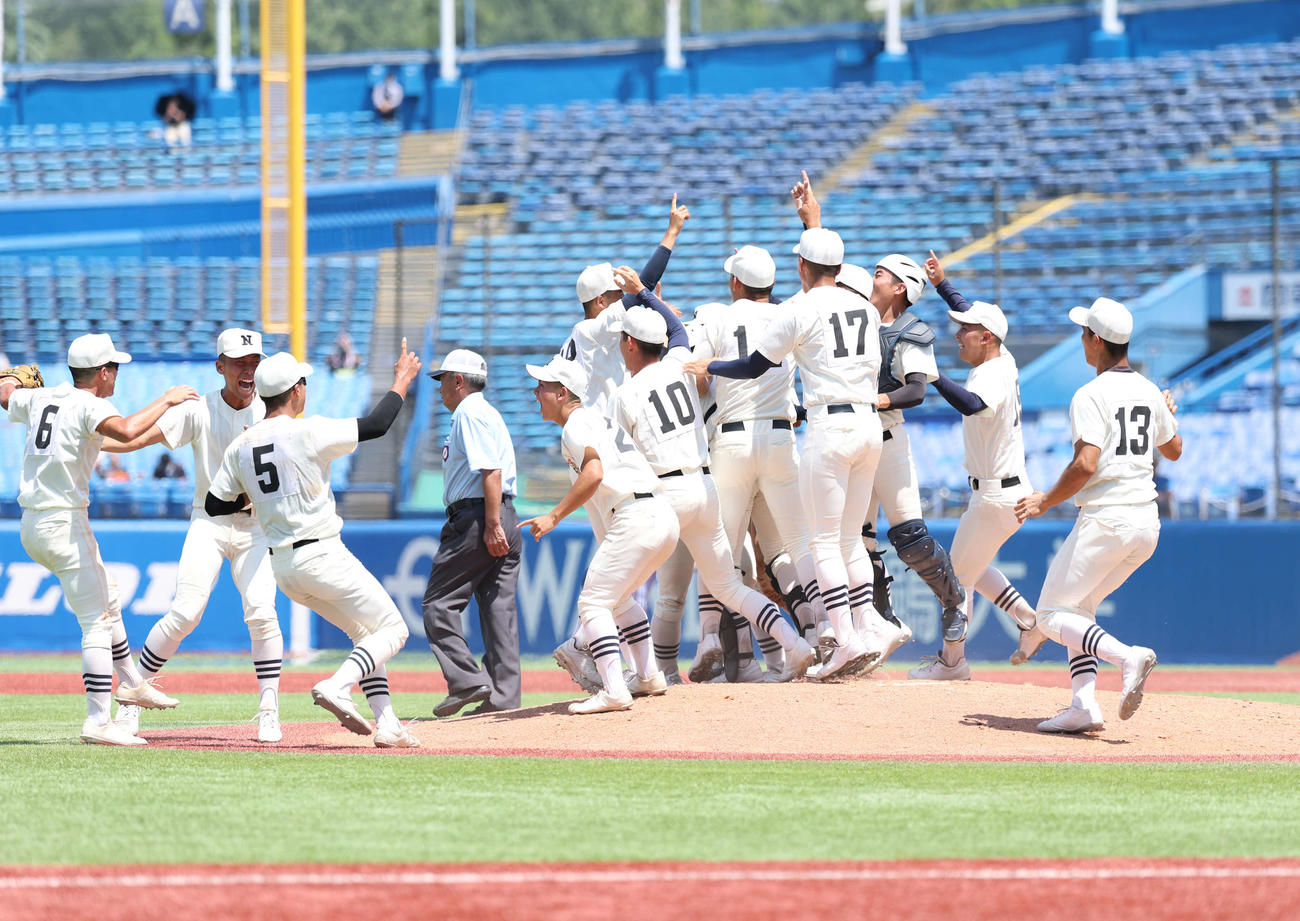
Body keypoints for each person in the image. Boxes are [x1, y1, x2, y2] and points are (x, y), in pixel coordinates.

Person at [684, 176, 892, 680]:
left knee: (762, 545)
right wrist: (813, 224)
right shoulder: (864, 305)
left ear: (801, 266)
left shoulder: (788, 309)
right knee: (837, 541)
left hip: (801, 429)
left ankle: (836, 638)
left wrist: (710, 368)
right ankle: (860, 627)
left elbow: (754, 363)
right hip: (860, 423)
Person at [205, 342, 422, 748]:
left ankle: (388, 722)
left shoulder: (243, 444)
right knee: (393, 628)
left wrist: (254, 492)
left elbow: (215, 504)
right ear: (297, 389)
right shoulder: (308, 430)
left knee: (365, 632)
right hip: (320, 552)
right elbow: (377, 424)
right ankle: (339, 686)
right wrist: (402, 379)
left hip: (283, 567)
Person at [610, 267, 815, 682]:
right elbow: (679, 335)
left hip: (668, 494)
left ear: (629, 344)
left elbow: (620, 459)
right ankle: (795, 645)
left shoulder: (628, 390)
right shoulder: (682, 361)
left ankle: (656, 672)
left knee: (646, 594)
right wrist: (649, 296)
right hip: (707, 483)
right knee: (737, 582)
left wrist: (646, 295)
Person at [0, 333, 198, 746]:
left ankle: (131, 682)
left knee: (108, 594)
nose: (118, 376)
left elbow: (5, 393)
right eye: (116, 369)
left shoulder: (43, 397)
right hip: (63, 522)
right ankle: (97, 721)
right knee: (95, 623)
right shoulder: (92, 403)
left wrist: (14, 381)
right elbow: (125, 431)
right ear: (104, 372)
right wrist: (168, 399)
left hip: (33, 521)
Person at [99, 329, 284, 743]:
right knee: (185, 612)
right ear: (220, 367)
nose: (248, 368)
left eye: (254, 361)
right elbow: (141, 438)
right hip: (209, 520)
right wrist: (94, 446)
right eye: (239, 362)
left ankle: (269, 709)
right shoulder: (199, 410)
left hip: (257, 526)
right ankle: (130, 701)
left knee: (262, 612)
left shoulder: (273, 409)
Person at [1014, 298, 1180, 733]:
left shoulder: (1090, 393)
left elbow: (1086, 464)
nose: (1081, 340)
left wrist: (1044, 500)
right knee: (1077, 608)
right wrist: (1167, 411)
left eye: (1083, 332)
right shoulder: (1148, 388)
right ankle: (1083, 705)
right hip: (1146, 523)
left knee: (1050, 615)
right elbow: (1175, 450)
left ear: (1097, 340)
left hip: (1108, 518)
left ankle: (1128, 657)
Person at [522, 356, 681, 713]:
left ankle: (613, 690)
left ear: (562, 393)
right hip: (660, 515)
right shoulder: (598, 419)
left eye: (543, 386)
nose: (536, 392)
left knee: (592, 603)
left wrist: (554, 516)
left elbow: (593, 473)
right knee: (620, 600)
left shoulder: (575, 425)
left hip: (636, 515)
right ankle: (648, 675)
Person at [903, 292, 1037, 680]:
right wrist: (945, 286)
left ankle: (952, 663)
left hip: (997, 495)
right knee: (974, 568)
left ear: (988, 338)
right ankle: (1028, 619)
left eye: (966, 331)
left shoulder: (995, 372)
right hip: (1000, 491)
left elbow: (972, 404)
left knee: (956, 578)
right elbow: (974, 315)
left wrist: (933, 375)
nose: (958, 334)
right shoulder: (1002, 358)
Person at [421, 349, 522, 718]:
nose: (440, 389)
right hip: (502, 512)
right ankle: (503, 698)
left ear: (458, 381)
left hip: (479, 518)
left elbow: (490, 471)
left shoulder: (470, 412)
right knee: (499, 612)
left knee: (439, 603)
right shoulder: (485, 412)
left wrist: (492, 525)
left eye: (443, 380)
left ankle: (465, 680)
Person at [562, 195, 690, 417]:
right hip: (601, 428)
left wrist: (655, 308)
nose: (624, 297)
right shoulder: (591, 331)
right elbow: (644, 285)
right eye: (618, 294)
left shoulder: (588, 335)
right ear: (600, 301)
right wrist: (672, 232)